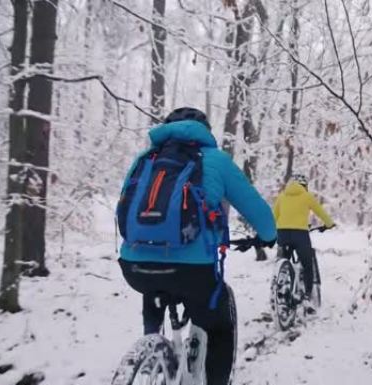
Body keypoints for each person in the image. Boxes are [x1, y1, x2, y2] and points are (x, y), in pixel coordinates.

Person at [116, 107, 276, 385]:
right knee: (220, 323)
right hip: (192, 271)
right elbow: (258, 211)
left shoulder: (144, 160)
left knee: (154, 289)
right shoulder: (215, 160)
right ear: (204, 131)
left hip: (135, 267)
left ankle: (151, 352)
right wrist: (268, 235)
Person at [272, 174, 334, 312]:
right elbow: (320, 212)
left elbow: (273, 216)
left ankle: (280, 288)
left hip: (282, 233)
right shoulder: (306, 196)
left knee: (282, 261)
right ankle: (306, 297)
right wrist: (329, 224)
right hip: (300, 235)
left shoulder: (282, 196)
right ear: (305, 186)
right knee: (307, 264)